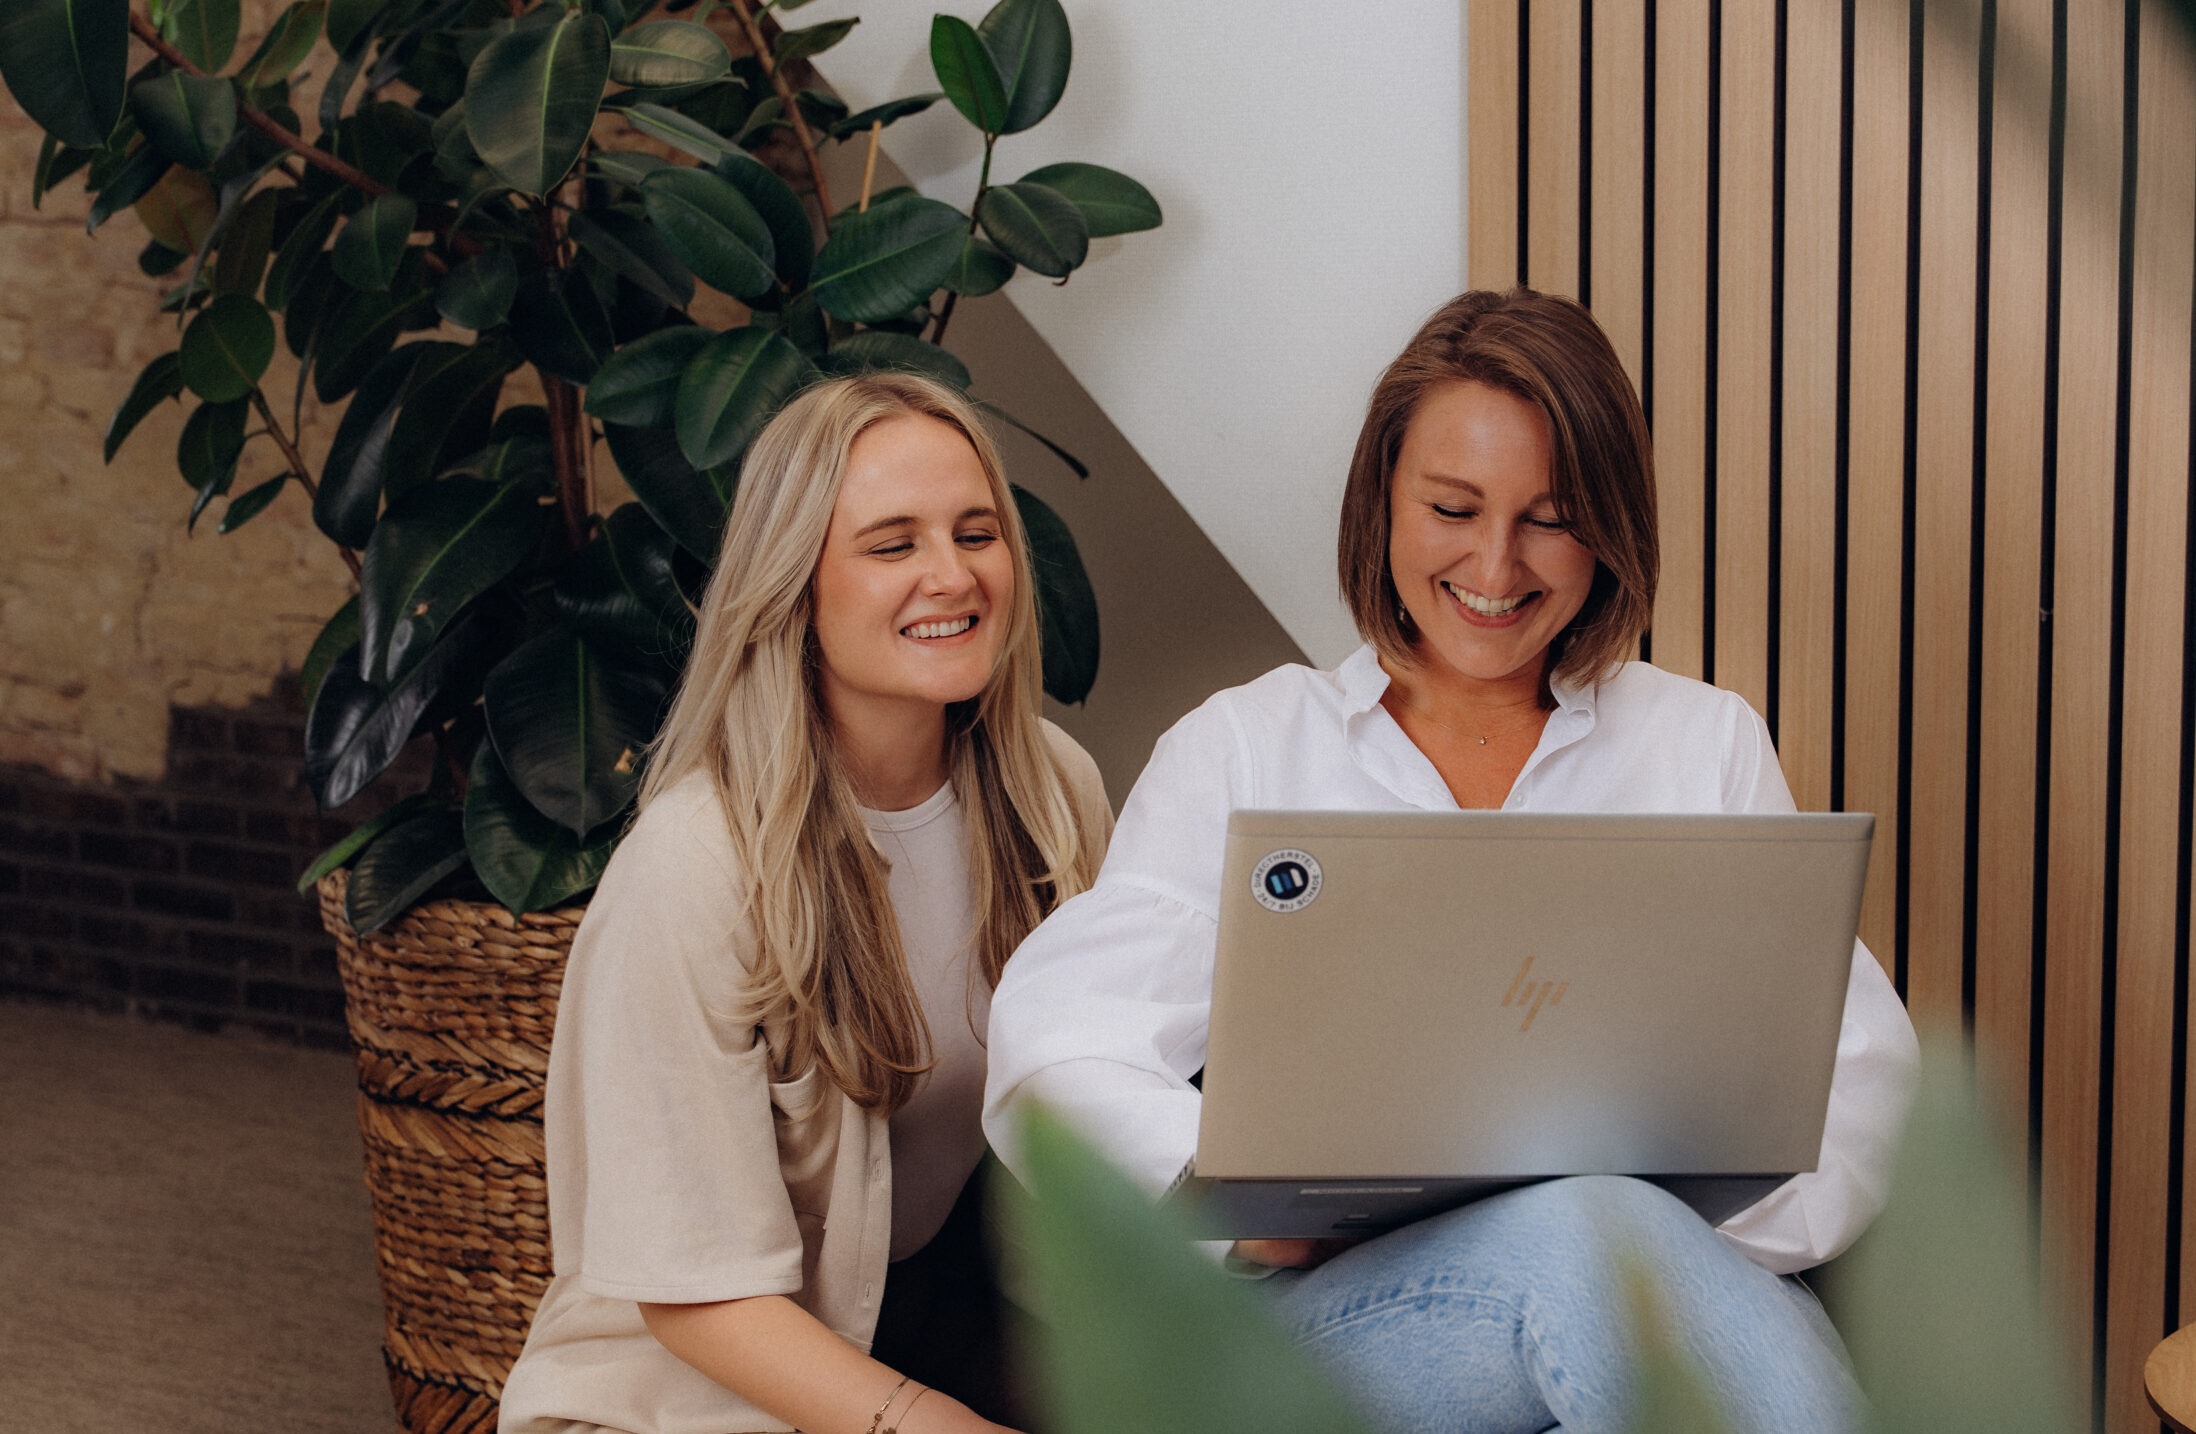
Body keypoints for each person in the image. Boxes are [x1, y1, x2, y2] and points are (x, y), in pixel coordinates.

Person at [981, 289, 1920, 1434]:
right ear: (1383, 501)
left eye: (1550, 517)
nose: (1494, 562)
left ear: (1608, 527)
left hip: (1637, 1283)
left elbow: (1861, 1072)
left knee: (1599, 1240)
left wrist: (1664, 1216)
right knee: (1588, 1238)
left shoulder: (1699, 743)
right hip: (1337, 1323)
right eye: (1452, 506)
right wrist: (1239, 1207)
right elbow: (1054, 1052)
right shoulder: (1246, 748)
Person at [498, 374, 1113, 1434]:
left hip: (916, 1320)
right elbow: (696, 1295)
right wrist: (931, 1424)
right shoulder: (695, 869)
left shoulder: (1053, 794)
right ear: (794, 585)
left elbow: (1104, 1102)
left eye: (977, 533)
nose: (951, 574)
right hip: (684, 1384)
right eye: (891, 545)